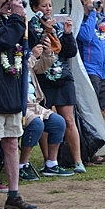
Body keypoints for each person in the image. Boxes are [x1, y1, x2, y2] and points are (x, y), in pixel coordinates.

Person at [27, 0, 87, 173]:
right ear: (35, 8)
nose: (48, 9)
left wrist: (67, 33)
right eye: (43, 6)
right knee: (45, 118)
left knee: (69, 119)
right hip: (43, 77)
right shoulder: (30, 27)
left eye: (50, 5)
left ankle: (78, 161)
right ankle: (50, 161)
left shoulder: (59, 26)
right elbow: (35, 50)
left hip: (63, 77)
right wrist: (46, 31)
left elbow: (70, 52)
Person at [0, 0, 37, 209]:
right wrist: (15, 18)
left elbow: (23, 45)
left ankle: (13, 195)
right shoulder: (7, 24)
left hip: (9, 93)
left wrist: (19, 18)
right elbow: (3, 41)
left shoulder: (9, 21)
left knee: (12, 143)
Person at [20, 40, 73, 180]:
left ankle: (51, 163)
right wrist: (32, 56)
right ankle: (22, 165)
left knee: (59, 122)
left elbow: (39, 68)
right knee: (36, 124)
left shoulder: (24, 54)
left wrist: (47, 53)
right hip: (18, 105)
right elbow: (21, 69)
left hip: (34, 104)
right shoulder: (10, 57)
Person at [77, 0, 105, 115]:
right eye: (95, 0)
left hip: (104, 70)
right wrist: (92, 11)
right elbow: (85, 36)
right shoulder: (80, 17)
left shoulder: (101, 19)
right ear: (85, 0)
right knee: (91, 108)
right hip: (90, 69)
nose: (98, 4)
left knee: (102, 108)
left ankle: (100, 135)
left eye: (101, 2)